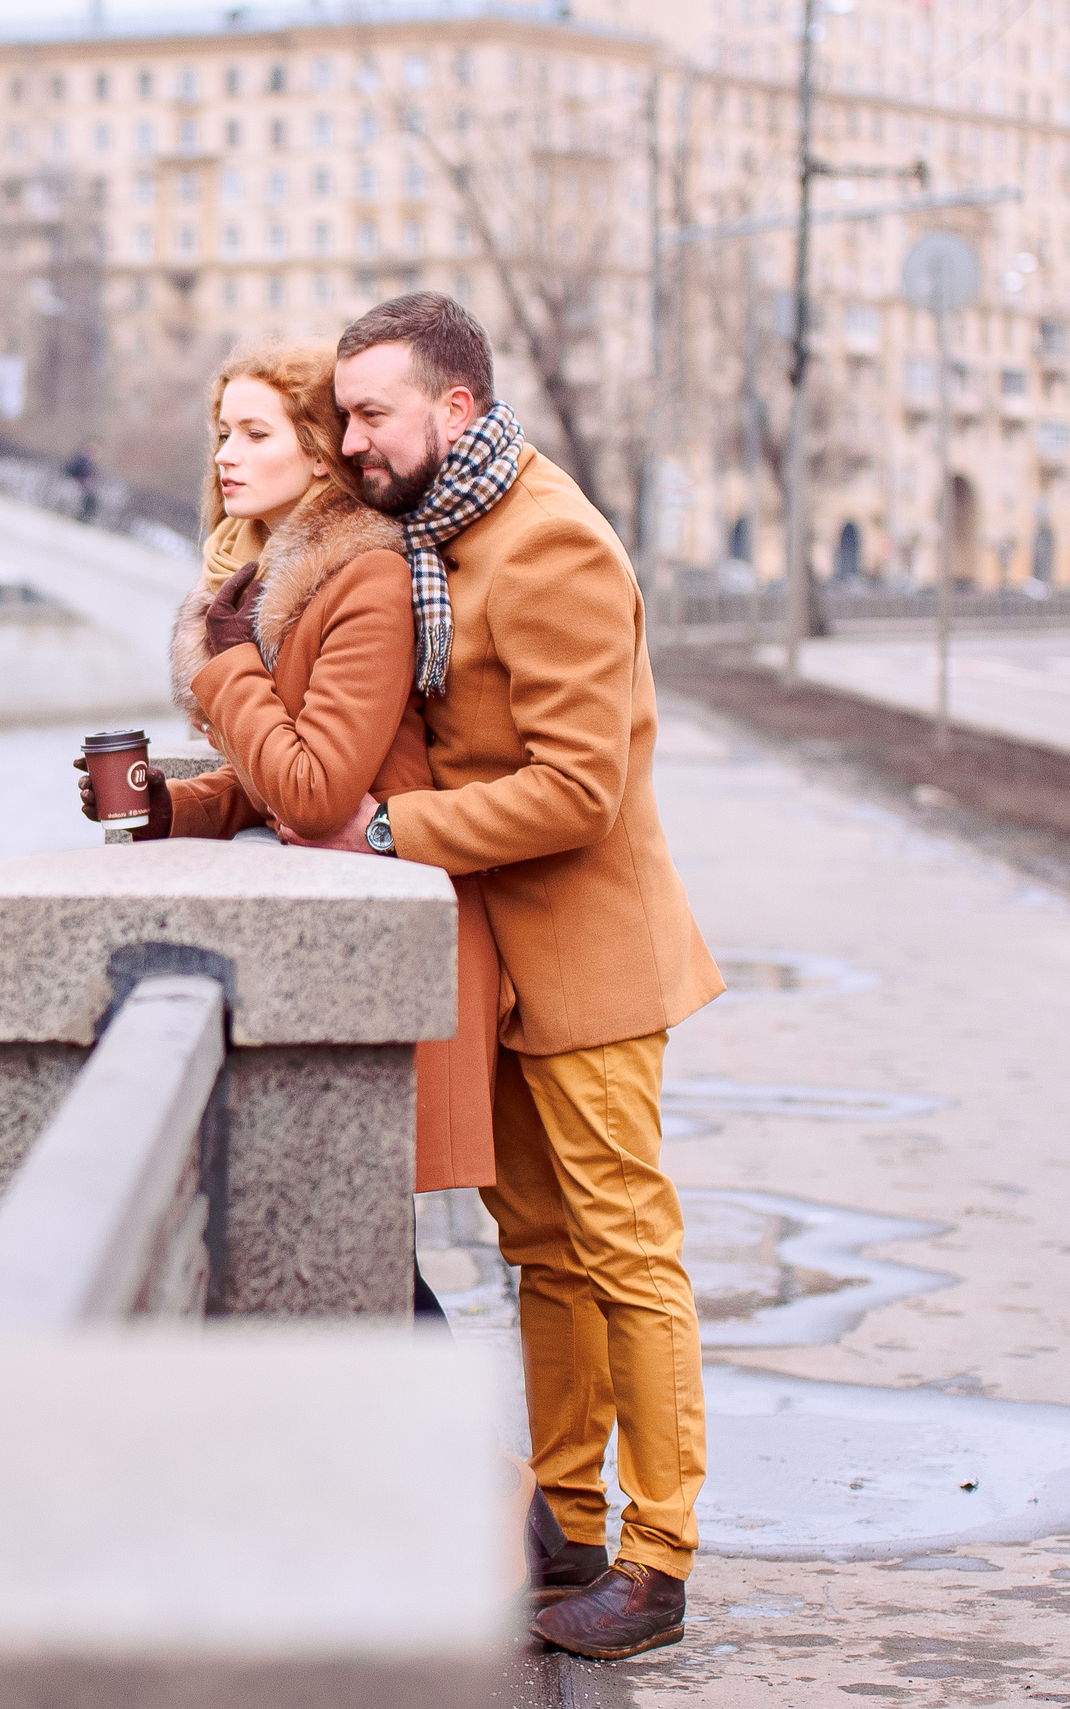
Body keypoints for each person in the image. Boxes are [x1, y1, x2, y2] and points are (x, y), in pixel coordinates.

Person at [285, 293, 724, 1661]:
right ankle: (569, 1520)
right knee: (542, 1257)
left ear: (454, 410)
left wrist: (389, 831)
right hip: (513, 971)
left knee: (627, 1256)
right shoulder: (441, 538)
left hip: (589, 963)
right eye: (344, 414)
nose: (351, 439)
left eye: (373, 413)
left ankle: (656, 1562)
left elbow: (580, 792)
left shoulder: (549, 547)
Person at [78, 341, 501, 1210]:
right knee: (351, 1259)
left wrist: (228, 665)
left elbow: (315, 792)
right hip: (331, 938)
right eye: (220, 433)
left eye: (253, 433)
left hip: (382, 947)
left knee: (368, 1265)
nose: (226, 455)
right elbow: (263, 775)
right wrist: (167, 806)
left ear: (316, 450)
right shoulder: (257, 581)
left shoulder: (365, 580)